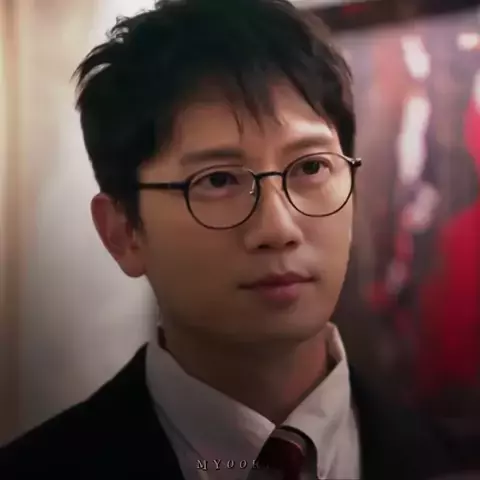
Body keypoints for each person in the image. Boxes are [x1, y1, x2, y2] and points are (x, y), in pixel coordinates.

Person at [0, 0, 460, 478]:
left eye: (310, 167)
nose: (278, 228)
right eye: (218, 180)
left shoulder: (451, 459)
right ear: (123, 232)